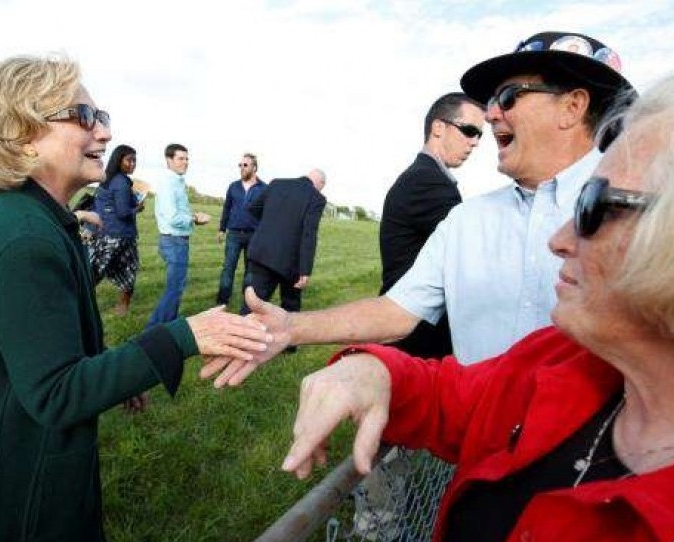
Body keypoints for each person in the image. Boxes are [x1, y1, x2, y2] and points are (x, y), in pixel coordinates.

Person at [280, 68, 674, 542]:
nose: (559, 241)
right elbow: (448, 386)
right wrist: (368, 367)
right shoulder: (561, 360)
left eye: (593, 208)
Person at [0, 55, 271, 542]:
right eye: (84, 116)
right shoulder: (21, 238)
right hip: (15, 511)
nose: (102, 133)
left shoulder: (28, 218)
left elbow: (45, 352)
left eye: (102, 118)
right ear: (23, 132)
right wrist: (183, 336)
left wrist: (111, 374)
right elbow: (55, 392)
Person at [201, 31, 635, 385]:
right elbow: (397, 310)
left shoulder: (645, 216)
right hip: (478, 458)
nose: (490, 116)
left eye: (508, 97)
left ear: (573, 107)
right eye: (487, 106)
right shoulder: (467, 219)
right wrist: (291, 327)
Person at [379, 92, 484, 358]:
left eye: (479, 135)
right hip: (416, 334)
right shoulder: (428, 182)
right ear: (438, 127)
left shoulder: (427, 177)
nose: (474, 142)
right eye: (469, 131)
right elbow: (471, 255)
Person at [242, 169, 327, 324]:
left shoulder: (277, 183)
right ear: (320, 183)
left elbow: (253, 209)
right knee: (290, 303)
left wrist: (270, 223)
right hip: (290, 258)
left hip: (262, 251)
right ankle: (290, 344)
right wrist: (305, 269)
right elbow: (309, 233)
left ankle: (239, 335)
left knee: (253, 301)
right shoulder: (317, 197)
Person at [146, 143, 210, 327]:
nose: (185, 162)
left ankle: (169, 325)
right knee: (175, 288)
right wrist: (195, 218)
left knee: (177, 286)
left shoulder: (176, 181)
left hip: (176, 240)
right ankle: (153, 329)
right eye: (181, 158)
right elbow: (173, 217)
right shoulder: (169, 182)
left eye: (187, 158)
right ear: (169, 160)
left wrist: (192, 216)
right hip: (174, 241)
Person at [88, 144, 144, 316]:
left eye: (135, 160)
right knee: (127, 271)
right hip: (119, 236)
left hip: (105, 233)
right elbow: (123, 212)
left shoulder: (108, 178)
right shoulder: (121, 182)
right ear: (119, 160)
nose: (132, 164)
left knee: (94, 272)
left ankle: (82, 303)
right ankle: (122, 308)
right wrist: (138, 209)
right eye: (129, 160)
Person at [215, 153, 267, 310]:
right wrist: (222, 229)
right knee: (228, 268)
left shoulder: (264, 189)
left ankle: (247, 305)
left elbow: (267, 213)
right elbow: (227, 208)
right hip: (234, 235)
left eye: (245, 165)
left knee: (250, 273)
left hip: (254, 236)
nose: (242, 168)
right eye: (240, 165)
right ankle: (222, 303)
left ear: (254, 167)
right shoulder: (233, 186)